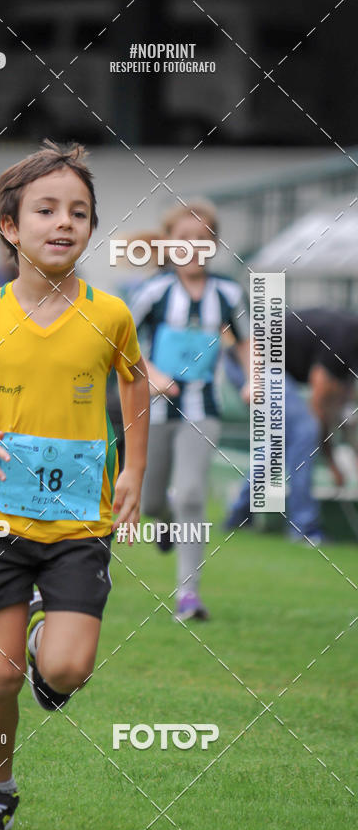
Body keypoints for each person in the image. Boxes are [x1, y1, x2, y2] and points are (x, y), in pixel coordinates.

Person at [0, 140, 149, 830]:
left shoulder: (110, 313)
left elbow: (136, 383)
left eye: (79, 212)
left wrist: (136, 470)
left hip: (79, 520)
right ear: (10, 225)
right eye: (46, 209)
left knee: (67, 668)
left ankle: (41, 653)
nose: (64, 223)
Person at [129, 200, 250, 622]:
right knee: (149, 502)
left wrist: (254, 378)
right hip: (156, 409)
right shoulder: (154, 292)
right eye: (185, 240)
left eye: (203, 239)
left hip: (204, 408)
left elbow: (248, 343)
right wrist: (155, 374)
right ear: (168, 245)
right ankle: (162, 522)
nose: (194, 247)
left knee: (192, 494)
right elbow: (119, 343)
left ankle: (188, 595)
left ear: (214, 245)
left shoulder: (229, 293)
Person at [223, 307, 358, 542]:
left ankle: (240, 512)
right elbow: (319, 407)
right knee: (305, 431)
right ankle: (304, 527)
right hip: (250, 362)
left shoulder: (350, 355)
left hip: (271, 367)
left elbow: (340, 410)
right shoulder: (346, 340)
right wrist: (332, 461)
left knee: (280, 442)